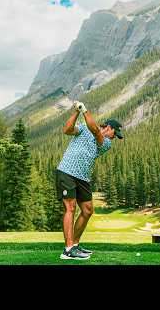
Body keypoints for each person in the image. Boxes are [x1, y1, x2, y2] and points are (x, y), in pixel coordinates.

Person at [56, 101, 123, 260]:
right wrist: (77, 112)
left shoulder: (105, 142)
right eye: (115, 134)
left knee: (87, 210)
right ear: (109, 128)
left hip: (82, 177)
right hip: (67, 171)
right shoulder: (85, 127)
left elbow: (95, 130)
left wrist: (84, 109)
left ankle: (75, 245)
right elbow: (67, 130)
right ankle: (68, 249)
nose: (114, 138)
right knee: (70, 208)